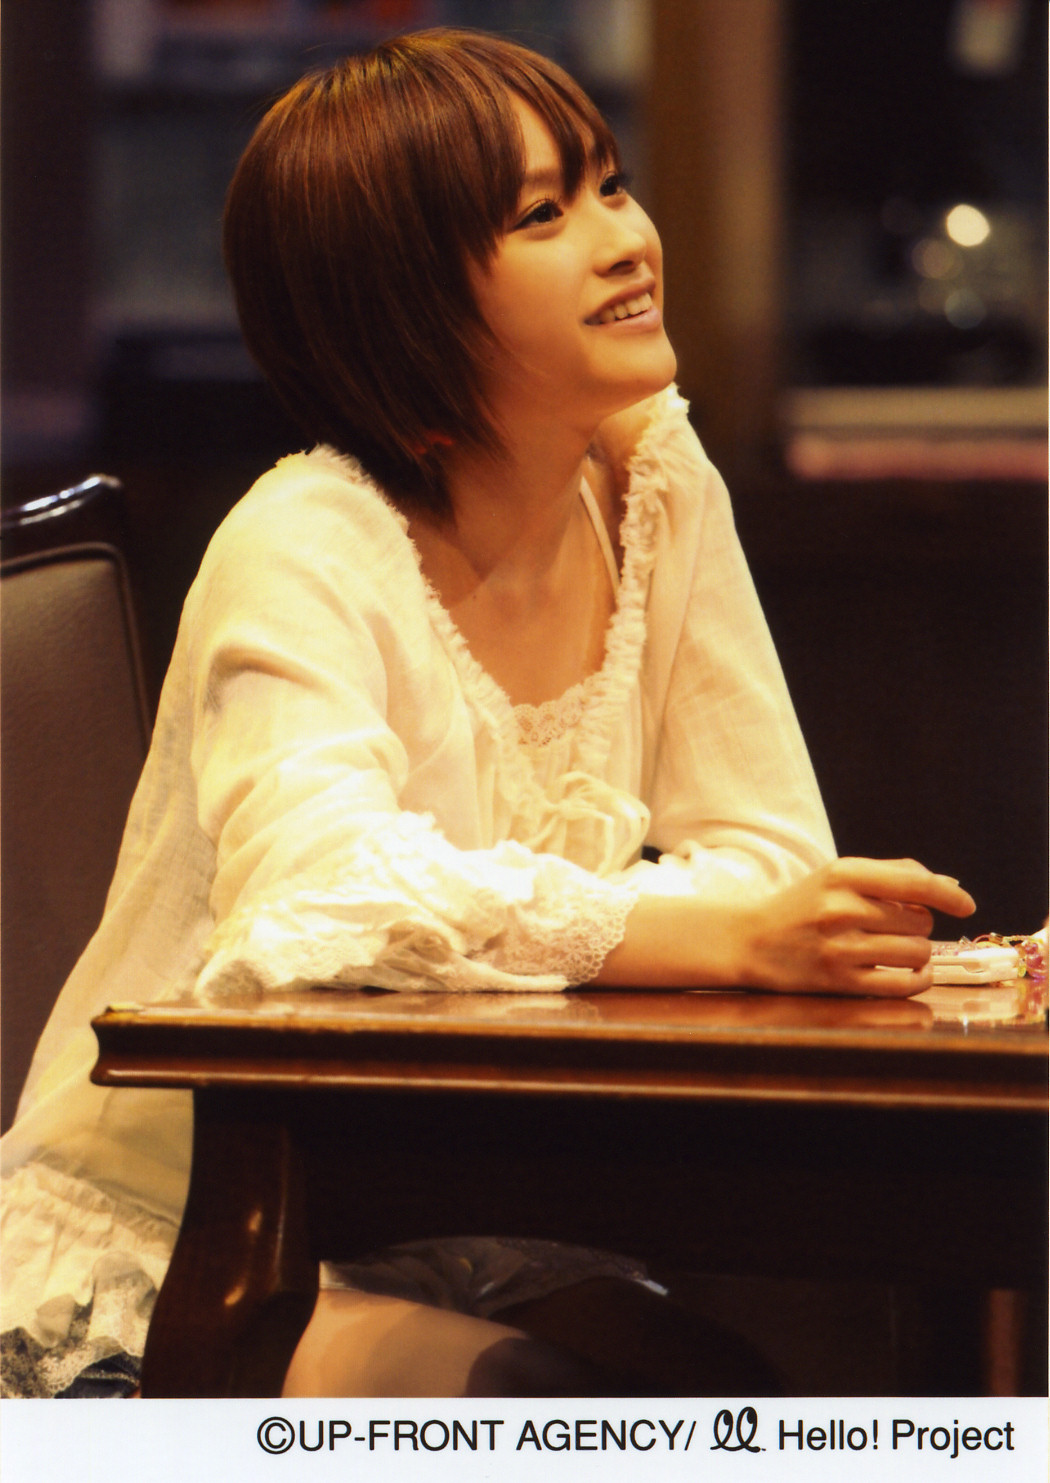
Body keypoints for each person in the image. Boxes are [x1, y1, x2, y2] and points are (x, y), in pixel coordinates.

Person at [0, 28, 975, 1400]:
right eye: (543, 215)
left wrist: (740, 923)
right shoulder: (305, 541)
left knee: (725, 1397)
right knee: (562, 1412)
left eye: (609, 184)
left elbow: (771, 854)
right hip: (193, 1241)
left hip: (464, 1223)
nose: (623, 239)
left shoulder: (653, 484)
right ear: (399, 299)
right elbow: (325, 897)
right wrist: (713, 933)